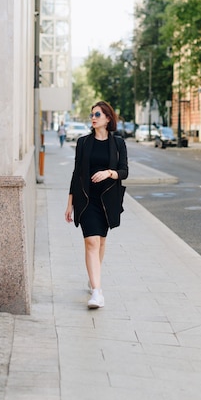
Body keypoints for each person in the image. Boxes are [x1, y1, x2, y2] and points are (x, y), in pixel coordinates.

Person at [65, 101, 128, 309]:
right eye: (92, 114)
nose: (94, 117)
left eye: (98, 114)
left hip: (107, 200)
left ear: (108, 119)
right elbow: (76, 174)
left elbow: (124, 171)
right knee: (91, 242)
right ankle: (97, 292)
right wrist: (70, 204)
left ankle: (94, 277)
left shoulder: (118, 143)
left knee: (100, 242)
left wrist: (108, 173)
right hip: (87, 199)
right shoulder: (83, 143)